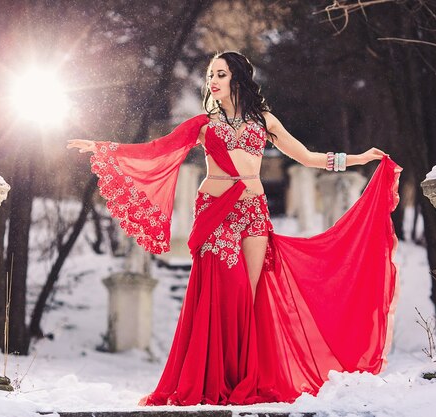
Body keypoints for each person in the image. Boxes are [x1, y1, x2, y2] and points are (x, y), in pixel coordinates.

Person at [67, 51, 402, 406]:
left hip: (253, 211)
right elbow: (157, 149)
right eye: (211, 74)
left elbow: (307, 157)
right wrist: (105, 149)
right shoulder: (204, 125)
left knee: (250, 297)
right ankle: (211, 378)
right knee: (226, 289)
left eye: (220, 74)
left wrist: (358, 158)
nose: (212, 80)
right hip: (216, 212)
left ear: (237, 78)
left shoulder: (265, 121)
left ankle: (243, 378)